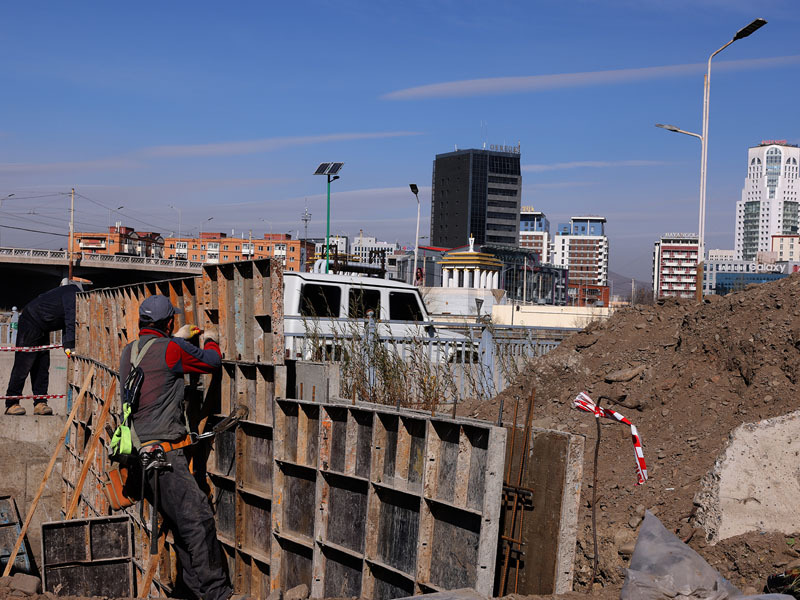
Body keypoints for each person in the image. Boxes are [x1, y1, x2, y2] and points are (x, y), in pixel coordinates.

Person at [119, 294, 233, 600]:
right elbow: (211, 363)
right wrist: (209, 340)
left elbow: (155, 373)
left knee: (181, 525)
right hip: (165, 457)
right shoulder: (172, 348)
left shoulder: (129, 351)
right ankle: (217, 594)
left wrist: (178, 340)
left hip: (140, 455)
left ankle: (191, 592)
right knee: (198, 521)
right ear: (169, 323)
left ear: (142, 322)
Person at [5, 278, 90, 416]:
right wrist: (71, 345)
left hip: (43, 327)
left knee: (42, 366)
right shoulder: (74, 295)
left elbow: (66, 322)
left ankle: (40, 403)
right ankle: (11, 403)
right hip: (30, 321)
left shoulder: (71, 294)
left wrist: (67, 345)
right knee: (23, 365)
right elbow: (70, 320)